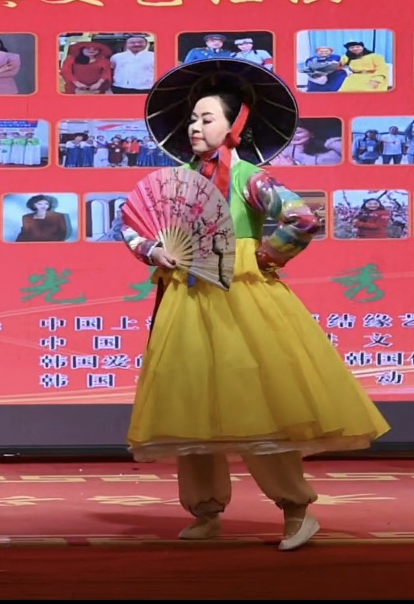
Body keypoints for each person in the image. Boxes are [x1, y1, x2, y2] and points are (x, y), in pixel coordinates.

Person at [123, 59, 391, 551]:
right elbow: (133, 227)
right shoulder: (177, 179)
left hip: (241, 297)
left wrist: (265, 256)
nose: (195, 127)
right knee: (192, 405)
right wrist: (154, 250)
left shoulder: (250, 177)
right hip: (187, 297)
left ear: (236, 125)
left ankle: (295, 510)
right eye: (192, 119)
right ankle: (205, 510)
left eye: (207, 118)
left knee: (258, 406)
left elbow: (302, 219)